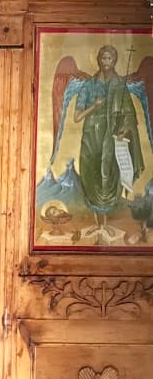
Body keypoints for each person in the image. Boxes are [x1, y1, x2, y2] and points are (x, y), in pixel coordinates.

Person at [57, 45, 145, 238]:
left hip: (112, 138)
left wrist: (123, 130)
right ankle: (97, 224)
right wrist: (93, 106)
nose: (107, 62)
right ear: (98, 60)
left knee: (109, 177)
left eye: (110, 59)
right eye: (104, 58)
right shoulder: (89, 86)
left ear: (114, 62)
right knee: (92, 177)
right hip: (91, 138)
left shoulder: (120, 86)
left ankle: (105, 225)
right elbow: (77, 117)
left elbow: (130, 115)